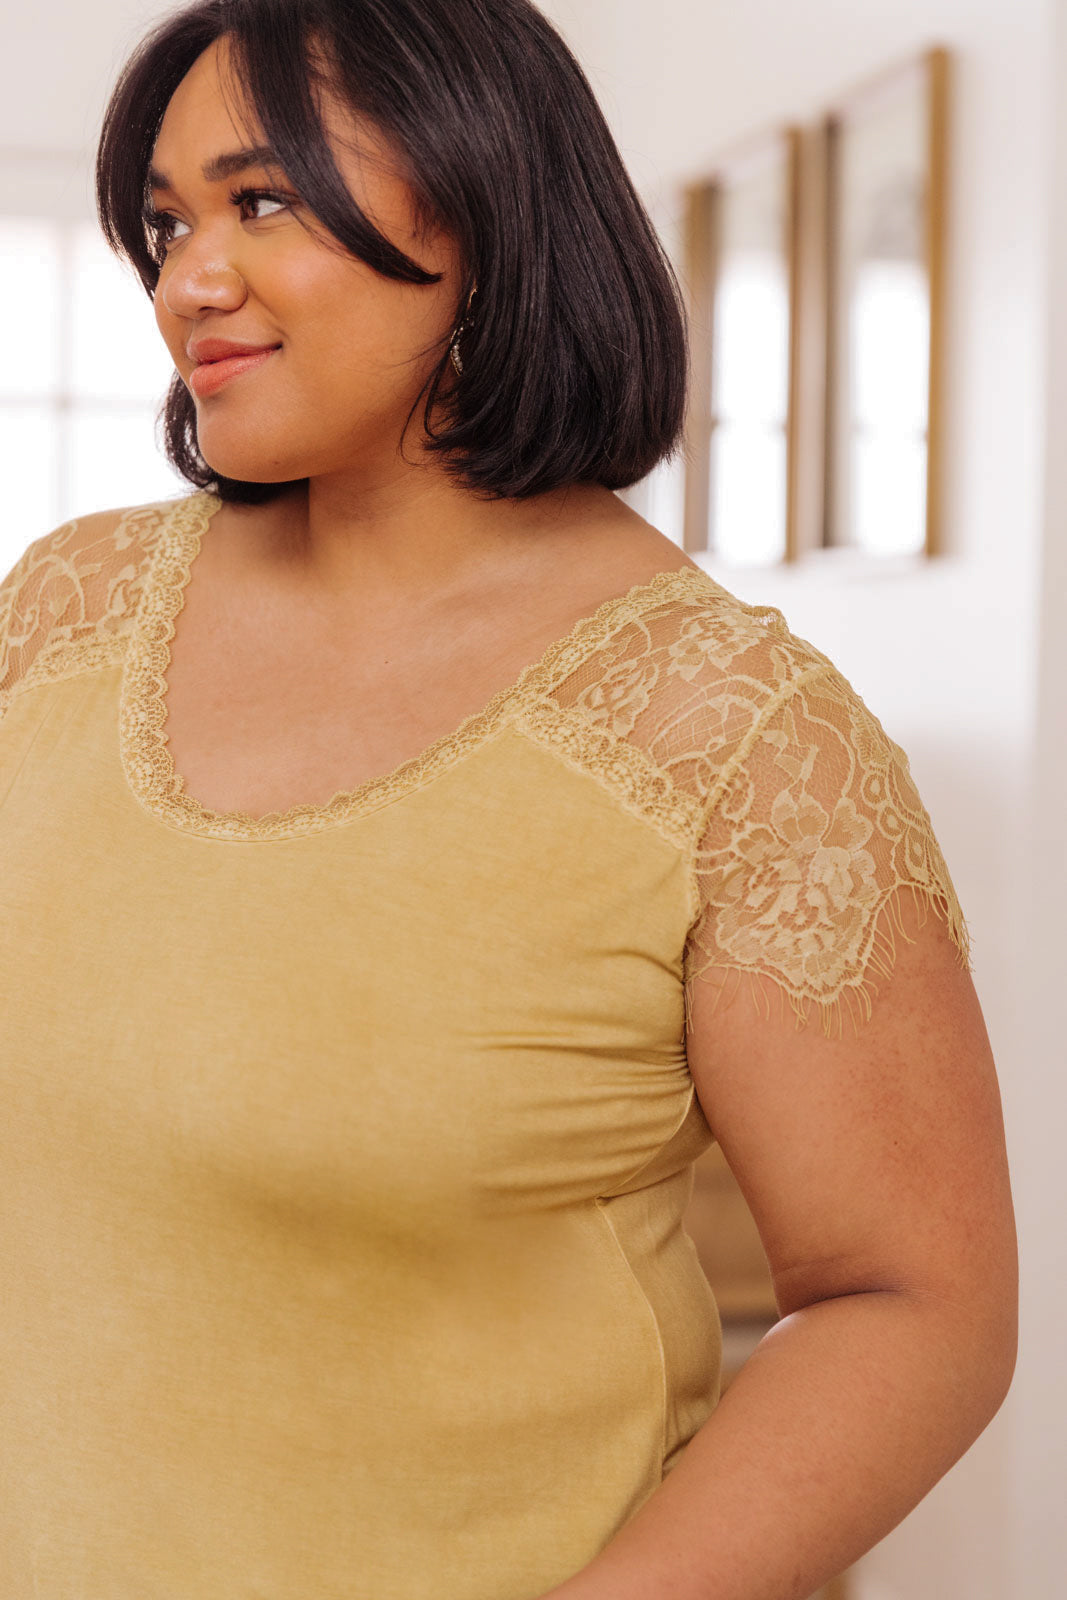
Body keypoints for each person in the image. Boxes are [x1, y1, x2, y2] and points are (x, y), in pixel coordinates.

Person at [0, 1, 1017, 1596]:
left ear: (487, 210)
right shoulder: (63, 611)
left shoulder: (738, 741)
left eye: (263, 201)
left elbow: (917, 1304)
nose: (191, 277)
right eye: (167, 221)